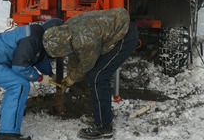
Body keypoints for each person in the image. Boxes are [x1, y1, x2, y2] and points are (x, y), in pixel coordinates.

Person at [43, 8, 139, 140]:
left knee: (97, 78)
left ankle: (104, 127)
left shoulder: (83, 39)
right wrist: (70, 75)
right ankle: (98, 113)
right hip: (113, 29)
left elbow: (87, 63)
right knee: (93, 76)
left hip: (123, 35)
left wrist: (71, 78)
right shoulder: (68, 30)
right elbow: (75, 57)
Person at [0, 19, 63, 140]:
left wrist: (50, 74)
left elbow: (39, 58)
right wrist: (40, 78)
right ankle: (8, 134)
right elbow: (20, 66)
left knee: (17, 85)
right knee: (19, 85)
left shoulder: (38, 36)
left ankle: (7, 117)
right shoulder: (33, 39)